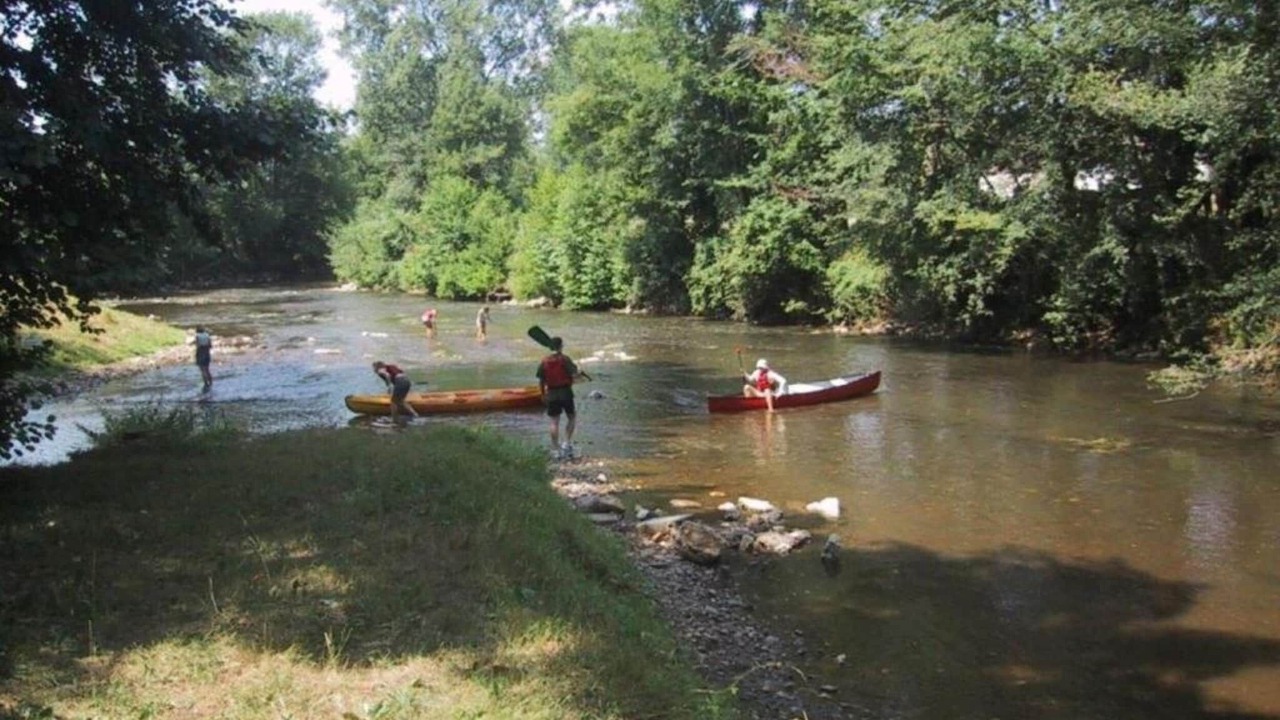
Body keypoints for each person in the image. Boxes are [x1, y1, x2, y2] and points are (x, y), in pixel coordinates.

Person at [537, 336, 585, 459]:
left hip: (551, 393)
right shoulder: (565, 359)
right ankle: (566, 443)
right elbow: (575, 374)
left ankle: (555, 449)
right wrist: (580, 370)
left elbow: (541, 381)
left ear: (550, 347)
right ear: (560, 346)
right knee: (572, 417)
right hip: (565, 392)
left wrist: (543, 395)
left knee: (554, 421)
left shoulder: (544, 361)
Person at [194, 326, 213, 393]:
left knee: (202, 369)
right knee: (207, 369)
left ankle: (206, 383)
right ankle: (211, 382)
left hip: (200, 352)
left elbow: (198, 345)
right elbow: (210, 345)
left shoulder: (197, 336)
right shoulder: (207, 335)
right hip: (207, 352)